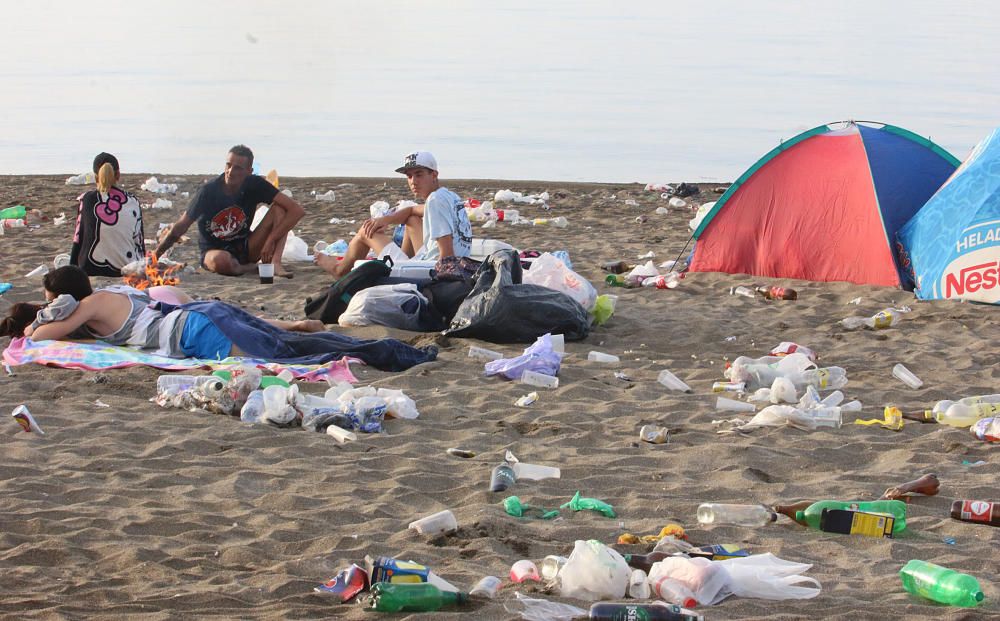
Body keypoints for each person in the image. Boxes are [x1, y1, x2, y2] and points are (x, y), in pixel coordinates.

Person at [1, 266, 435, 372]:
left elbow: (38, 335)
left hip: (197, 330)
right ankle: (403, 352)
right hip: (204, 311)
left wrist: (49, 311)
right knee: (296, 345)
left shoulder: (89, 305)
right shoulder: (116, 292)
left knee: (297, 355)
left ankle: (399, 357)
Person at [154, 145, 305, 277]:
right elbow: (181, 225)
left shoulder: (255, 184)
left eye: (238, 168)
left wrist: (271, 240)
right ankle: (254, 269)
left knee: (280, 208)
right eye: (228, 165)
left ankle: (275, 263)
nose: (230, 171)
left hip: (246, 247)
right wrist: (156, 255)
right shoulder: (208, 191)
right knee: (222, 261)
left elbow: (296, 210)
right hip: (214, 252)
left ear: (249, 171)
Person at [316, 151, 472, 278]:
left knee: (365, 231)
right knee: (412, 219)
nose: (413, 181)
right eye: (409, 176)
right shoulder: (449, 196)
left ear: (434, 175)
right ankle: (401, 259)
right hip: (436, 260)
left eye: (419, 174)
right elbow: (411, 211)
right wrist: (385, 219)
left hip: (429, 271)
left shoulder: (435, 200)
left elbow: (447, 257)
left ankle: (339, 270)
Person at [70, 152, 145, 276]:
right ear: (118, 175)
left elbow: (78, 238)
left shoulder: (86, 199)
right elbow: (139, 240)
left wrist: (72, 269)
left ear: (96, 177)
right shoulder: (132, 201)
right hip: (125, 269)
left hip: (89, 269)